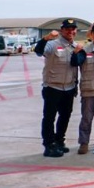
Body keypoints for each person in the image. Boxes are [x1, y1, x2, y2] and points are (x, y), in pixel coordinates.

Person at [33, 19, 80, 158]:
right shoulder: (52, 45)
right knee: (49, 117)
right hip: (53, 87)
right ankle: (48, 145)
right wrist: (45, 38)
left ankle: (59, 141)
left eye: (73, 29)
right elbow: (38, 51)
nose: (70, 31)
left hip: (69, 88)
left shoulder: (76, 46)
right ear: (61, 31)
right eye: (67, 29)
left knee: (65, 116)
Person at [70, 23, 94, 154]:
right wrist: (75, 53)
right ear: (91, 35)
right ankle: (84, 143)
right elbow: (75, 62)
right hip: (90, 90)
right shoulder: (85, 50)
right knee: (87, 118)